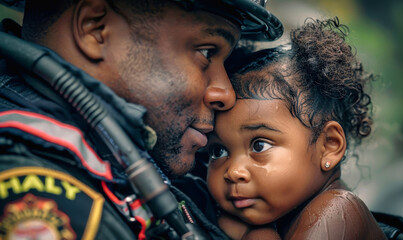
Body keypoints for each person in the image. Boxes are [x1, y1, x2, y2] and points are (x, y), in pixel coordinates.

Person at [0, 0, 283, 239]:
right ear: (95, 29)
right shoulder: (48, 197)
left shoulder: (127, 158)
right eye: (207, 52)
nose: (225, 93)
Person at [205, 18, 388, 239]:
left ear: (329, 146)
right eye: (218, 151)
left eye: (259, 145)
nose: (233, 172)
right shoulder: (280, 215)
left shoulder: (338, 211)